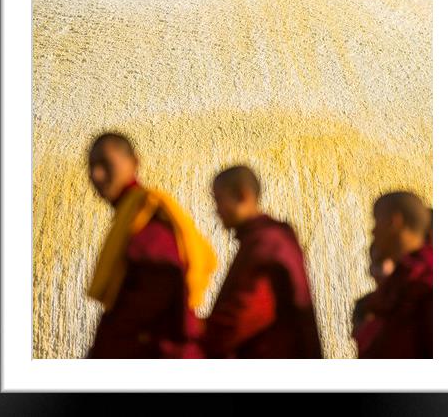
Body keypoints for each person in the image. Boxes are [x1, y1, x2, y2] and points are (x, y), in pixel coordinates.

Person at [86, 132, 216, 358]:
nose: (96, 175)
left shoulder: (148, 221)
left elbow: (158, 301)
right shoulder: (129, 218)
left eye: (105, 164)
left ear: (134, 163)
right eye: (91, 166)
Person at [203, 165, 322, 358]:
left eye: (219, 200)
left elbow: (245, 315)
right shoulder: (261, 239)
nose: (216, 211)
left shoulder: (268, 243)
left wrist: (198, 333)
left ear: (243, 196)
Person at [357, 191, 433, 359]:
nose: (373, 231)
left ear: (394, 222)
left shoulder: (426, 285)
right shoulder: (400, 281)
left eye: (377, 222)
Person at [352, 242, 395, 355]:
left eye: (380, 262)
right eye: (373, 264)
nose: (373, 272)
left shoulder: (416, 300)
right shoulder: (365, 306)